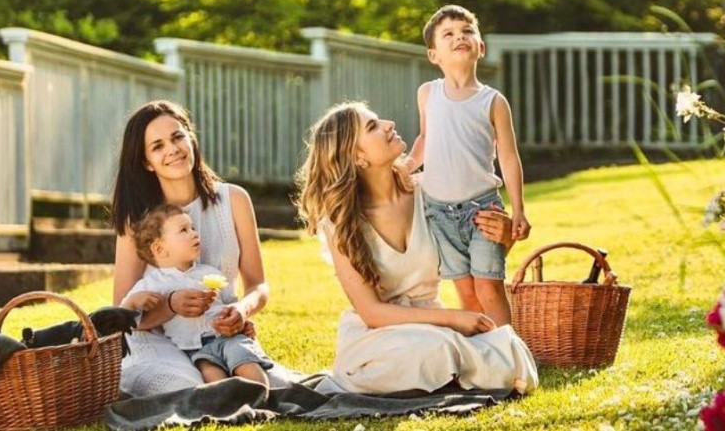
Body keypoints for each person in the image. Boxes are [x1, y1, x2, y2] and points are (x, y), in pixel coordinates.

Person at [295, 101, 538, 395]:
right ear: (357, 157)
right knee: (437, 349)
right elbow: (371, 312)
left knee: (505, 348)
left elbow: (474, 264)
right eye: (372, 126)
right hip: (379, 338)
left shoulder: (433, 193)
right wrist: (453, 319)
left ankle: (453, 372)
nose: (389, 124)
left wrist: (503, 238)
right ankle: (460, 371)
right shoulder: (341, 222)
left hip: (433, 329)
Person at [111, 99, 292, 396]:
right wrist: (170, 306)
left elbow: (258, 284)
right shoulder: (137, 220)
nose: (172, 149)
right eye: (157, 146)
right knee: (187, 387)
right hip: (158, 340)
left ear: (191, 138)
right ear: (146, 162)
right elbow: (121, 314)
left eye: (178, 136)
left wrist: (241, 310)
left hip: (219, 332)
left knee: (276, 386)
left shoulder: (235, 200)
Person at [405, 4, 531, 326]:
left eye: (467, 32)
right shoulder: (427, 94)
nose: (459, 37)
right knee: (467, 292)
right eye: (448, 34)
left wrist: (518, 209)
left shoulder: (493, 101)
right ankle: (481, 356)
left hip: (482, 210)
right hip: (439, 212)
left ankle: (508, 355)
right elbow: (424, 139)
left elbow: (508, 157)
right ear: (434, 55)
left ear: (480, 47)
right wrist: (407, 166)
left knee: (489, 287)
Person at [122, 204, 273, 388]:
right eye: (184, 230)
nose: (194, 233)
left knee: (247, 365)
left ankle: (261, 396)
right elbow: (122, 318)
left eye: (192, 228)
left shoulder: (210, 273)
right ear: (160, 249)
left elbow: (229, 305)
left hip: (228, 337)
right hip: (195, 349)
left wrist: (241, 320)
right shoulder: (153, 284)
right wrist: (132, 301)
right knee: (212, 377)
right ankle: (231, 405)